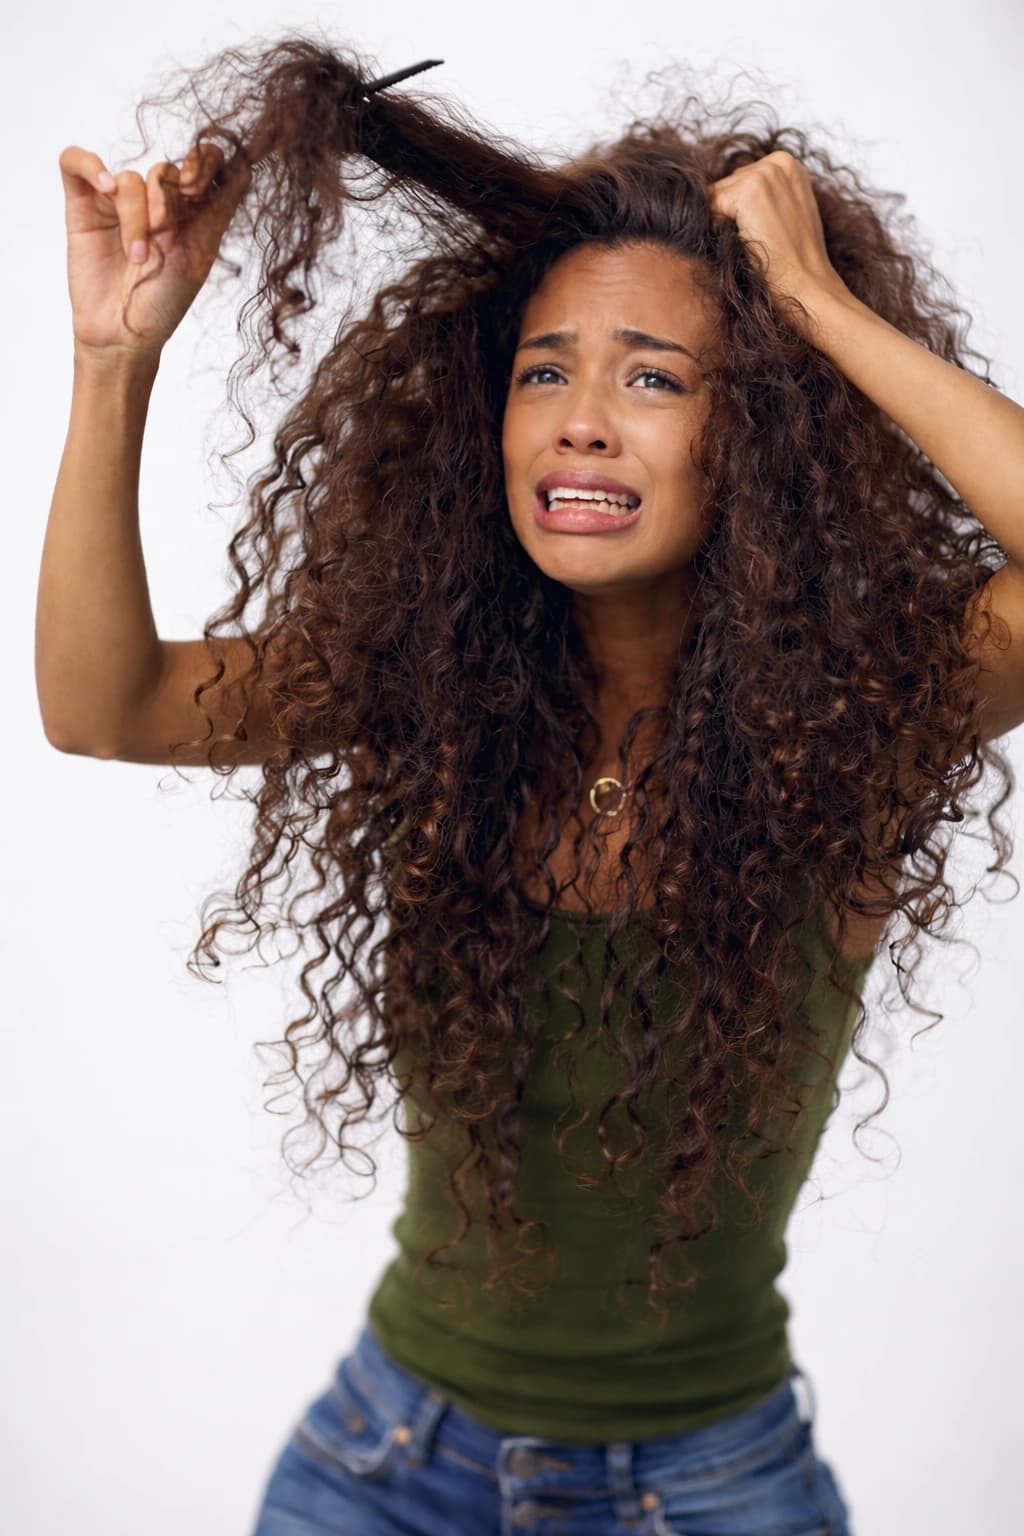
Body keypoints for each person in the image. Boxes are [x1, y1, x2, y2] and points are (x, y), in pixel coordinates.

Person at [38, 35, 1024, 1536]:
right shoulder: (430, 684)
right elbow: (102, 709)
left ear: (760, 426)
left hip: (707, 1489)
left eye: (655, 378)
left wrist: (815, 305)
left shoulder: (861, 721)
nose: (580, 418)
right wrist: (116, 361)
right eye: (546, 371)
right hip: (386, 1459)